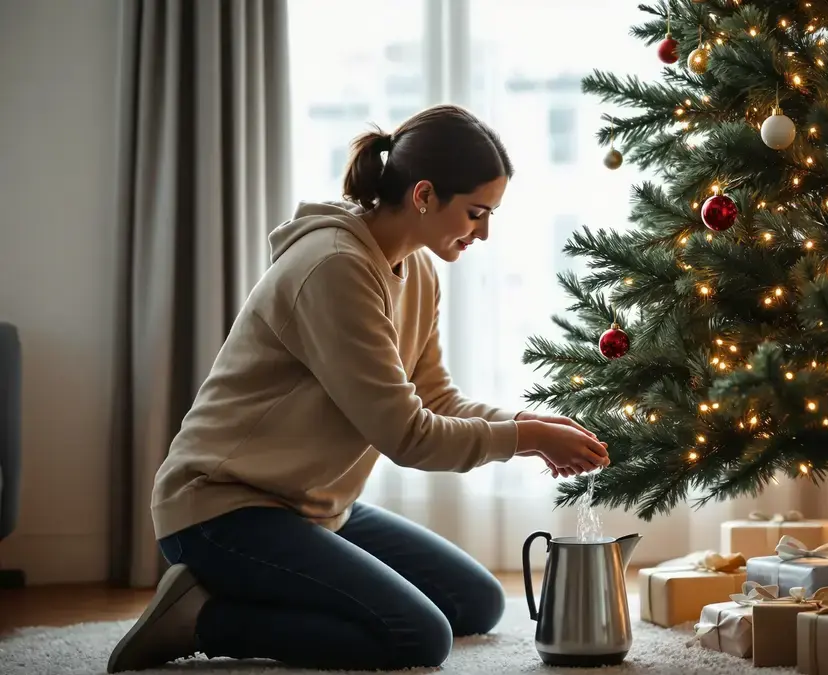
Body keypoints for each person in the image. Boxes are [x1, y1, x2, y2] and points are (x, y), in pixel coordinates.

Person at [107, 104, 610, 673]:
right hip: (222, 510)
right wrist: (525, 439)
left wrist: (527, 425)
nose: (484, 232)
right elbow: (408, 435)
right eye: (476, 213)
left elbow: (434, 398)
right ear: (424, 195)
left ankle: (266, 589)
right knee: (418, 637)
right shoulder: (334, 267)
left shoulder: (418, 269)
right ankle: (203, 618)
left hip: (315, 508)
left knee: (476, 602)